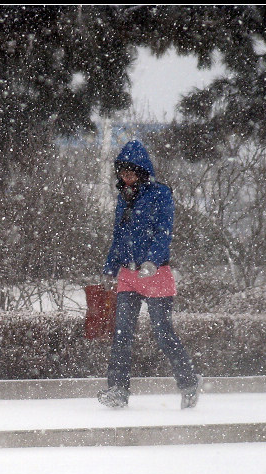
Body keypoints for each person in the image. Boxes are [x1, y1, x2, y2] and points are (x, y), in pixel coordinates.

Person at [98, 140, 202, 409]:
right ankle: (118, 390)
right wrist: (110, 267)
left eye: (131, 171)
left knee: (163, 332)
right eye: (122, 172)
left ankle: (189, 382)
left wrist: (152, 261)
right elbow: (118, 236)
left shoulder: (160, 194)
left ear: (142, 172)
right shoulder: (124, 198)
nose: (126, 176)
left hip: (155, 274)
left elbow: (163, 231)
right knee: (122, 334)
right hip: (128, 275)